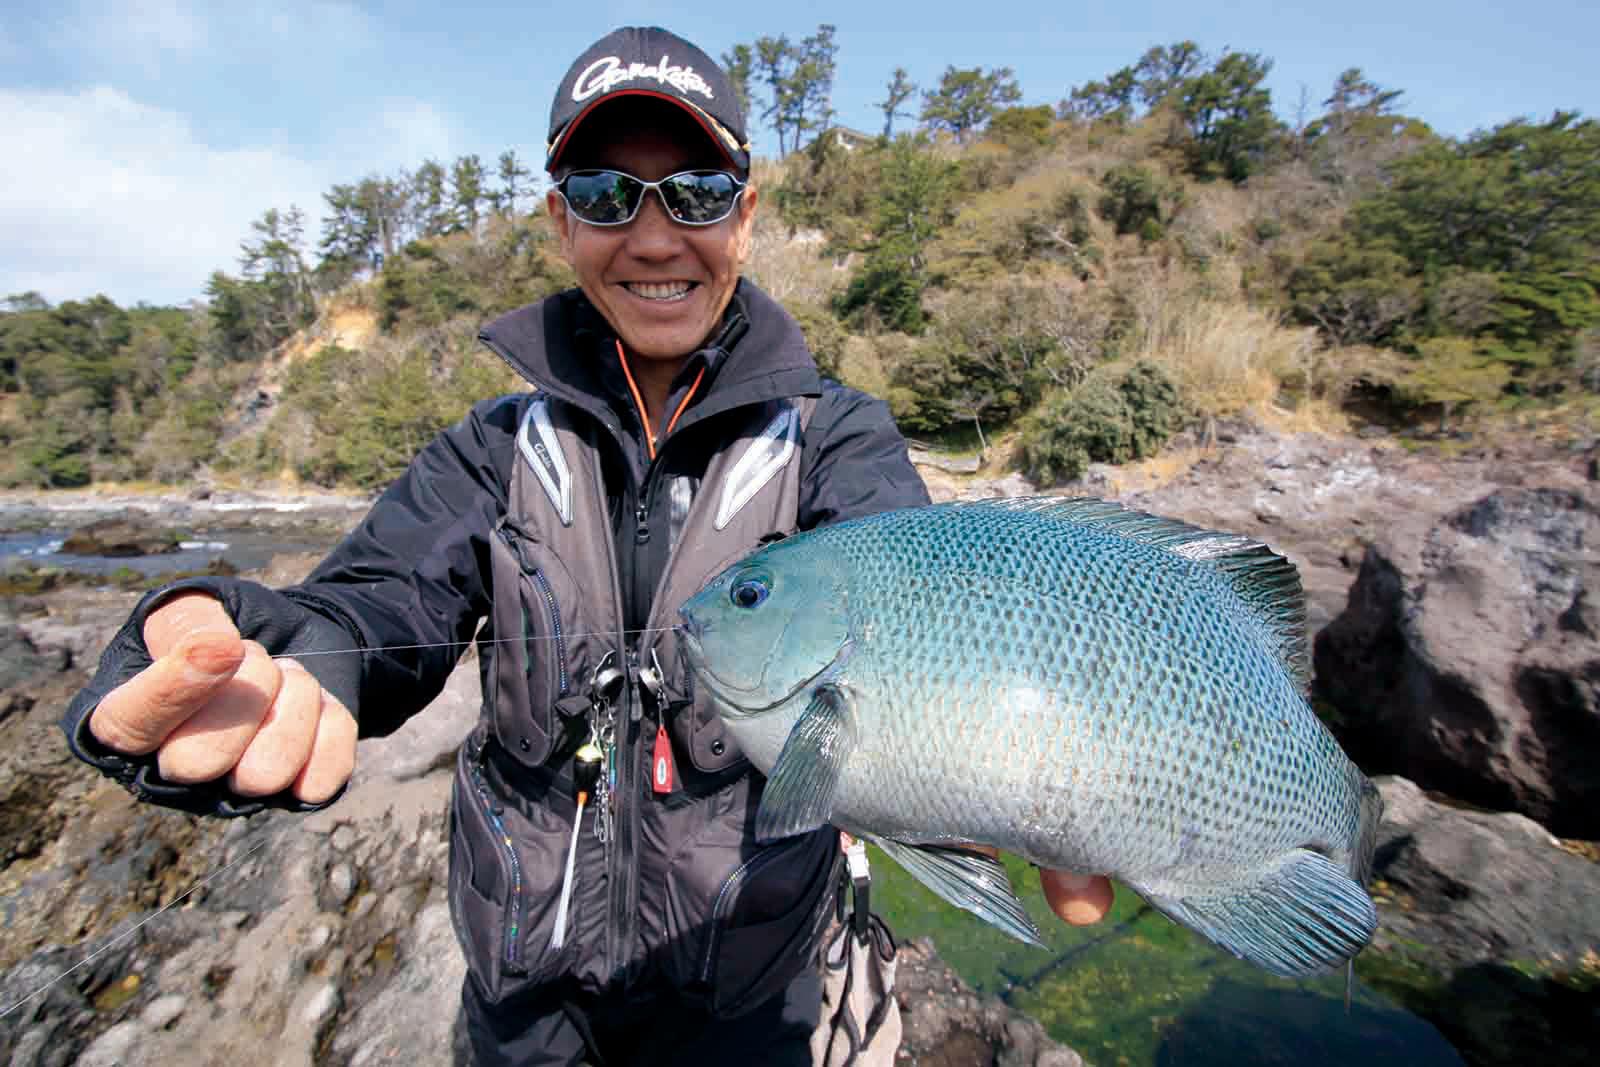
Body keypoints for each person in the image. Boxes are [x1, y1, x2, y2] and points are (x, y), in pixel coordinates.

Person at [61, 26, 1113, 1067]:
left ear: (744, 217)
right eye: (608, 196)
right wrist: (272, 664)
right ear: (560, 222)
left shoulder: (836, 437)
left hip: (747, 994)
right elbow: (373, 606)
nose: (654, 239)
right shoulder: (491, 448)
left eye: (695, 192)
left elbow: (922, 605)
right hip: (525, 1001)